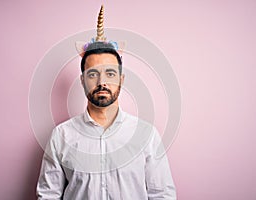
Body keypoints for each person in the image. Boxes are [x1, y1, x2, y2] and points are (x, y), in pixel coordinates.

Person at [36, 5, 176, 200]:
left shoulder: (146, 135)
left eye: (110, 73)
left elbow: (162, 195)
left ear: (121, 79)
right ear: (83, 80)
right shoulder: (61, 136)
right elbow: (48, 195)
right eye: (93, 74)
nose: (102, 82)